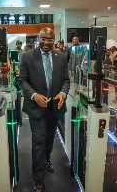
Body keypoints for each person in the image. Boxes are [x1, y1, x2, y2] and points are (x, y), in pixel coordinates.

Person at [19, 28, 70, 192]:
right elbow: (22, 81)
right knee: (38, 141)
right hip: (36, 107)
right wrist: (34, 95)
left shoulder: (61, 57)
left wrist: (63, 93)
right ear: (38, 39)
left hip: (55, 107)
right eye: (43, 38)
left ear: (54, 40)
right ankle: (38, 178)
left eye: (49, 39)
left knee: (49, 138)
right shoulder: (27, 56)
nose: (46, 42)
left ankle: (47, 158)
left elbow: (66, 80)